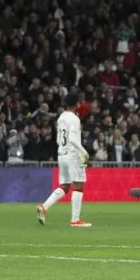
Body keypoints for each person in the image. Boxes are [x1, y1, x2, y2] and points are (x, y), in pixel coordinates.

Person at [37, 92, 92, 228]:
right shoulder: (74, 119)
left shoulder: (61, 118)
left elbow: (57, 139)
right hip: (72, 155)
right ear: (77, 104)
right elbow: (73, 139)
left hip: (61, 154)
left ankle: (44, 207)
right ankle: (75, 220)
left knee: (65, 185)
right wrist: (85, 153)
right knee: (79, 185)